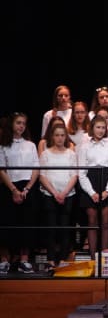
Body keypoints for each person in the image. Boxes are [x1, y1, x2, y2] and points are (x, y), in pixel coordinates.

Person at [0, 112, 40, 274]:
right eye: (18, 123)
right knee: (6, 223)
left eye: (23, 123)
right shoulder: (3, 146)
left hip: (27, 187)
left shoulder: (30, 145)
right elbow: (1, 169)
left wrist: (27, 188)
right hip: (9, 186)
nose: (21, 126)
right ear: (11, 124)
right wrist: (14, 190)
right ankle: (4, 259)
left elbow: (36, 168)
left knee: (27, 223)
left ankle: (24, 260)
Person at [77, 115, 108, 257]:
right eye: (98, 127)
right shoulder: (84, 146)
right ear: (92, 128)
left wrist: (107, 190)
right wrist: (91, 192)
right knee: (92, 221)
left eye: (103, 128)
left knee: (106, 222)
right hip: (90, 183)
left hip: (107, 183)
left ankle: (103, 256)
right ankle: (93, 257)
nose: (101, 130)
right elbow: (82, 173)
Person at [39, 124, 78, 270]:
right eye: (57, 135)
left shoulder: (71, 154)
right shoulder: (45, 154)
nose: (60, 138)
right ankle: (50, 260)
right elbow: (42, 176)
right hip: (50, 195)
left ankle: (62, 259)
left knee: (65, 228)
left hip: (67, 195)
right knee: (51, 228)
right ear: (52, 137)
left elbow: (74, 175)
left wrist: (64, 193)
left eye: (62, 135)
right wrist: (55, 193)